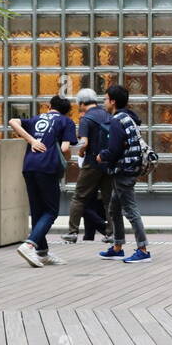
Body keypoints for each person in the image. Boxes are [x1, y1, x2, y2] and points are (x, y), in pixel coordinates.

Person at [9, 95, 76, 268]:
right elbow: (65, 148)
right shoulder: (66, 121)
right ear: (67, 111)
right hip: (47, 167)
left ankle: (42, 253)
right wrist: (67, 159)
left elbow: (12, 121)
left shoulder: (36, 118)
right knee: (51, 211)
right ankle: (29, 245)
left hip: (29, 166)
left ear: (49, 106)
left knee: (38, 211)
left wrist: (31, 140)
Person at [95, 84, 151, 264]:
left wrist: (101, 156)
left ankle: (142, 250)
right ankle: (117, 247)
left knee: (130, 211)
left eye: (105, 99)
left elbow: (114, 149)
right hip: (129, 169)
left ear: (113, 101)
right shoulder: (128, 118)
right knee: (114, 208)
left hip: (124, 171)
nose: (104, 102)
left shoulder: (117, 121)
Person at [61, 88, 114, 244]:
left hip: (92, 163)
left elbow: (84, 142)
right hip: (108, 161)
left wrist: (82, 152)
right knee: (108, 199)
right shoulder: (107, 114)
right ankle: (112, 233)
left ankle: (72, 232)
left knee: (79, 197)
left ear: (82, 103)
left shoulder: (86, 118)